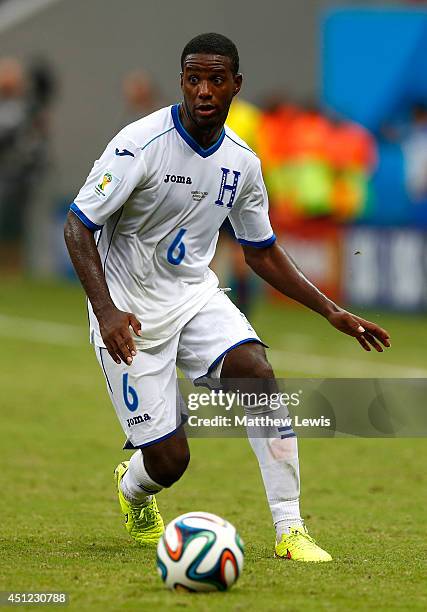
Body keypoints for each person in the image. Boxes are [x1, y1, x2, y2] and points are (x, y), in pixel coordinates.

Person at [64, 33, 391, 562]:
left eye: (216, 79)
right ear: (182, 82)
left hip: (194, 295)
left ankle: (290, 529)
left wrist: (333, 312)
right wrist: (105, 310)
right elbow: (78, 227)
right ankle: (134, 487)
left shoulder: (243, 162)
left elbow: (261, 253)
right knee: (169, 462)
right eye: (194, 78)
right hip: (128, 309)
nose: (204, 90)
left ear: (236, 84)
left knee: (258, 374)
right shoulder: (139, 144)